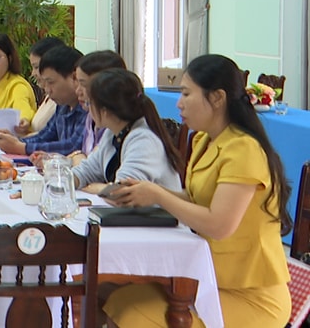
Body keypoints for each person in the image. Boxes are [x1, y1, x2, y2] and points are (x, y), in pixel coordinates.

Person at [105, 54, 292, 328]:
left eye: (186, 93)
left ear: (217, 98)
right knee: (112, 294)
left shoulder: (244, 149)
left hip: (248, 294)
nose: (179, 103)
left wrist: (159, 196)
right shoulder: (205, 139)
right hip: (208, 277)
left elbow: (218, 224)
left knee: (133, 313)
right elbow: (198, 200)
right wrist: (148, 192)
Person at [72, 68, 182, 194]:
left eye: (89, 103)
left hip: (156, 213)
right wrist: (64, 181)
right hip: (129, 212)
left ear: (105, 111)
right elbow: (88, 170)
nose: (89, 110)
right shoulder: (112, 132)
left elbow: (123, 191)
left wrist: (97, 188)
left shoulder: (144, 140)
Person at [0, 46, 86, 156]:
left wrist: (21, 147)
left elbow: (72, 146)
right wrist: (13, 141)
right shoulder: (63, 106)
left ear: (74, 77)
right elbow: (45, 136)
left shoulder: (87, 108)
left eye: (51, 82)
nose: (47, 90)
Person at [73, 50, 127, 158]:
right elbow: (88, 167)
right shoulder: (91, 117)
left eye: (83, 84)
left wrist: (77, 157)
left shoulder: (114, 127)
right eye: (77, 83)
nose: (78, 91)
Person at [18, 37, 66, 135]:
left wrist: (19, 143)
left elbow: (57, 141)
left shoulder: (61, 100)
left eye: (36, 67)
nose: (33, 73)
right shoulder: (49, 95)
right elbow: (44, 136)